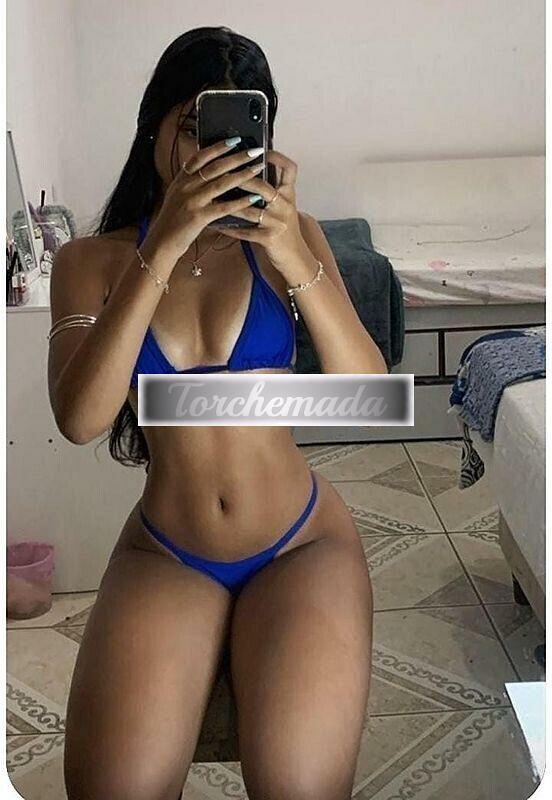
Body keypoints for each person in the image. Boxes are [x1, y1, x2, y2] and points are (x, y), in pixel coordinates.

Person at [48, 26, 385, 800]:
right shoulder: (91, 260)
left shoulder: (289, 240)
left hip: (300, 543)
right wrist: (161, 248)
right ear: (155, 128)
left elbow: (365, 390)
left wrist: (294, 253)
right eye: (194, 127)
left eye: (235, 130)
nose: (211, 152)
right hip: (168, 551)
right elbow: (81, 417)